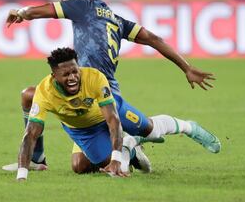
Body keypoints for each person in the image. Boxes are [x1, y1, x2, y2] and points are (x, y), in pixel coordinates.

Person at [5, 0, 221, 172]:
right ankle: (37, 158)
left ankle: (181, 129)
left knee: (151, 131)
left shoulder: (82, 5)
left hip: (100, 93)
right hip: (79, 95)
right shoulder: (116, 20)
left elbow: (40, 11)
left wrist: (20, 12)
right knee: (78, 164)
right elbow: (153, 38)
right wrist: (186, 67)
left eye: (66, 0)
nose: (65, 5)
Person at [16, 47, 150, 181]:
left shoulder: (92, 77)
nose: (72, 77)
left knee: (148, 129)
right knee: (79, 166)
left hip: (105, 114)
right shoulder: (45, 92)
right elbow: (31, 135)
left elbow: (113, 119)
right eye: (66, 74)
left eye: (75, 71)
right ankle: (129, 149)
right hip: (83, 128)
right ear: (54, 76)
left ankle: (126, 145)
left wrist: (116, 158)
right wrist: (22, 175)